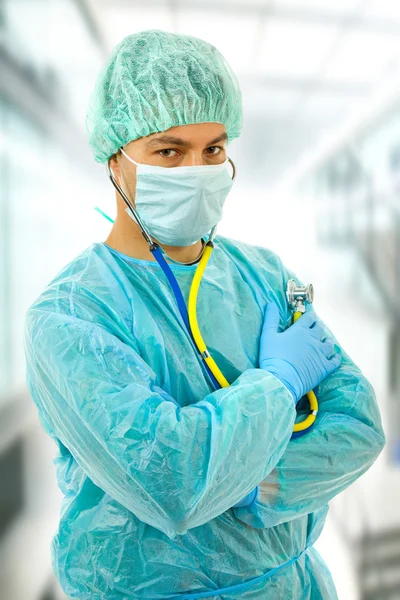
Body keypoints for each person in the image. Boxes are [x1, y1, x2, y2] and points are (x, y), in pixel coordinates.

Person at [24, 29, 386, 599]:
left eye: (214, 149)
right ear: (115, 159)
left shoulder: (263, 275)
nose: (198, 169)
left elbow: (359, 426)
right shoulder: (72, 318)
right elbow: (172, 482)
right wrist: (279, 382)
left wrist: (249, 483)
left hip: (292, 585)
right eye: (170, 151)